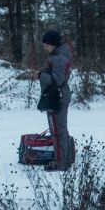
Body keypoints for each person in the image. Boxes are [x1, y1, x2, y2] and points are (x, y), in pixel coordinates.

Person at [37, 30, 74, 171]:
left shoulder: (58, 58)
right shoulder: (58, 55)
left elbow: (57, 81)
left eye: (46, 45)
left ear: (53, 44)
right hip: (57, 96)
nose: (44, 48)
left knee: (57, 131)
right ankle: (65, 158)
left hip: (57, 97)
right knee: (60, 129)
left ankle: (61, 163)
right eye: (43, 45)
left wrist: (40, 75)